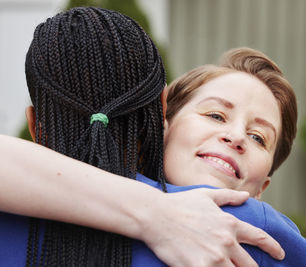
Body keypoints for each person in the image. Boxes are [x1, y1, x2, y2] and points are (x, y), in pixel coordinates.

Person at [0, 7, 283, 267]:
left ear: (35, 125)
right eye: (215, 115)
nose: (235, 137)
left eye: (259, 137)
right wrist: (156, 213)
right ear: (163, 112)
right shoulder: (240, 228)